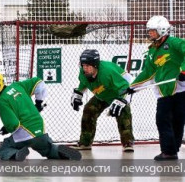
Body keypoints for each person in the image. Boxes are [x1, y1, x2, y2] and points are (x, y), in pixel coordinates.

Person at [0, 72, 82, 161]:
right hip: (40, 130)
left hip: (25, 134)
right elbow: (39, 82)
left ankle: (17, 154)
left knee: (3, 148)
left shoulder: (2, 101)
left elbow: (14, 124)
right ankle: (57, 151)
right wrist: (38, 103)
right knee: (47, 149)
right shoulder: (18, 86)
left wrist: (6, 128)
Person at [127, 16, 185, 161]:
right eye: (149, 31)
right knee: (162, 119)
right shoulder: (152, 51)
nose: (150, 34)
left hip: (180, 90)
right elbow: (148, 72)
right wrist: (133, 87)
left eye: (152, 31)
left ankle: (172, 150)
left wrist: (183, 71)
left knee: (178, 120)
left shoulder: (175, 43)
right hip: (163, 92)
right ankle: (168, 150)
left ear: (162, 30)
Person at [71, 49, 134, 152]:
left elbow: (124, 86)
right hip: (102, 95)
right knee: (89, 110)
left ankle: (128, 143)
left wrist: (122, 100)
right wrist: (79, 94)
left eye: (88, 66)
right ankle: (85, 143)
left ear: (95, 65)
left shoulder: (107, 72)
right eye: (83, 65)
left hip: (117, 93)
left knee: (123, 112)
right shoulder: (83, 73)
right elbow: (83, 83)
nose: (85, 68)